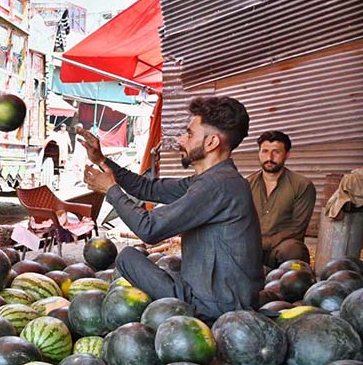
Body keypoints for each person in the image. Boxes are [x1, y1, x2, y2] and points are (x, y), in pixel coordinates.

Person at [81, 96, 263, 321]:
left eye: (189, 134)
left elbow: (149, 229)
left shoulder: (218, 185)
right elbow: (146, 187)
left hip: (216, 308)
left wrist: (111, 190)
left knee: (127, 257)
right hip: (221, 298)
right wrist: (102, 160)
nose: (181, 140)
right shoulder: (214, 180)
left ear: (211, 142)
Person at [247, 131, 316, 267]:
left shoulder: (302, 185)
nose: (269, 157)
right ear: (259, 153)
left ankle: (290, 285)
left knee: (293, 250)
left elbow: (297, 227)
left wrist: (264, 243)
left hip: (279, 249)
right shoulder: (246, 184)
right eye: (265, 151)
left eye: (276, 152)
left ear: (287, 154)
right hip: (249, 247)